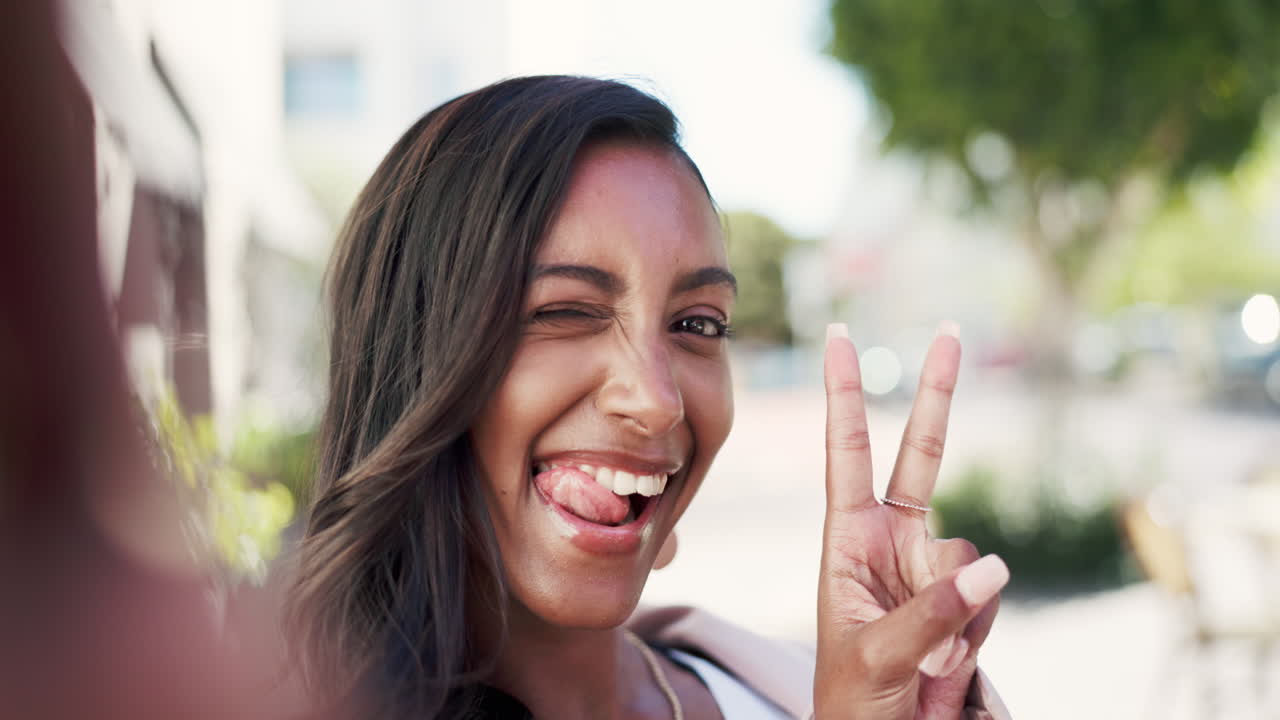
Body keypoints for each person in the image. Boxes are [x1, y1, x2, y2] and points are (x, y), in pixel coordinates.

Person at [287, 75, 1011, 720]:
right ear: (414, 356)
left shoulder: (798, 693)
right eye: (564, 311)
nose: (658, 401)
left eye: (696, 324)